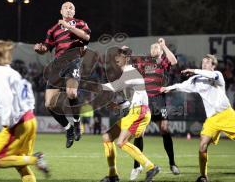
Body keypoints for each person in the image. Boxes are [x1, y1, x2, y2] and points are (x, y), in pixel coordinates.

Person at [161, 54, 235, 182]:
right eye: (203, 62)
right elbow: (182, 85)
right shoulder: (196, 80)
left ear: (213, 66)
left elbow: (211, 75)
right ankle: (203, 176)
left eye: (208, 62)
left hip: (226, 115)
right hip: (212, 119)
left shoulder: (217, 75)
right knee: (202, 146)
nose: (204, 64)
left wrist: (194, 70)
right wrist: (168, 88)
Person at [34, 1, 91, 148]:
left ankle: (77, 123)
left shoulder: (80, 23)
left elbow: (86, 37)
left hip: (73, 59)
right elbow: (47, 47)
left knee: (72, 93)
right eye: (66, 7)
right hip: (58, 64)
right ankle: (68, 128)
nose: (68, 9)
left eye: (71, 7)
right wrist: (40, 48)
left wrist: (69, 26)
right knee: (49, 104)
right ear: (61, 11)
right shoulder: (53, 29)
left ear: (74, 11)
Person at [99, 46, 160, 182]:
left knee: (121, 142)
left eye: (119, 55)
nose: (116, 58)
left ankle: (151, 167)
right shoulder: (128, 74)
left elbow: (114, 87)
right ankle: (113, 175)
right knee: (107, 137)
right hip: (135, 111)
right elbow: (130, 100)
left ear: (126, 58)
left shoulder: (130, 72)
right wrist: (118, 105)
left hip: (139, 112)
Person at [0, 40, 49, 182]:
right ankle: (32, 160)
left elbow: (6, 97)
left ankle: (35, 159)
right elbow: (27, 101)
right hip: (30, 119)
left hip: (17, 122)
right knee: (20, 164)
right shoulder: (13, 73)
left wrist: (7, 122)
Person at [130, 38, 180, 180]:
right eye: (153, 48)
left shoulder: (163, 62)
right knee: (139, 133)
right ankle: (136, 166)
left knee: (164, 129)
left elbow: (174, 61)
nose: (154, 49)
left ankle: (172, 163)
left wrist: (163, 45)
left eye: (156, 48)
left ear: (160, 50)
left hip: (158, 99)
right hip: (145, 100)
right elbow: (131, 65)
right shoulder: (145, 63)